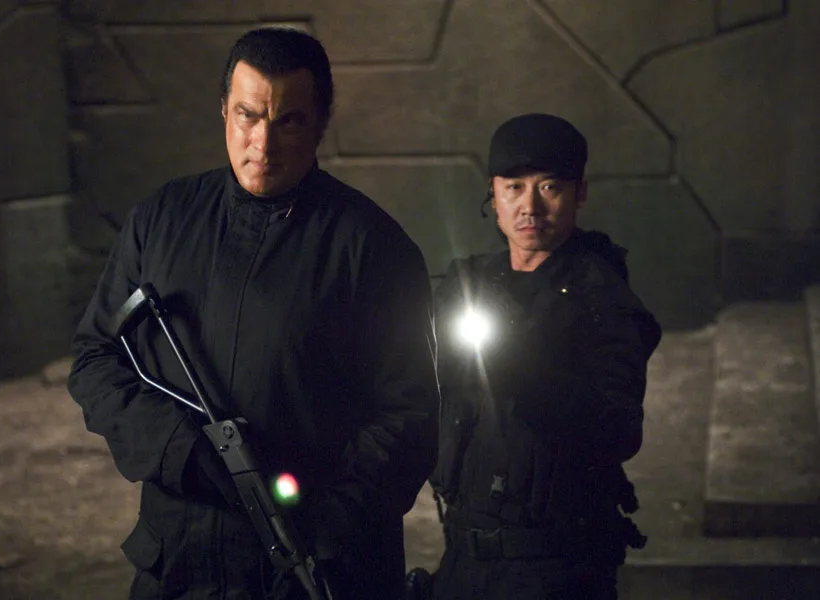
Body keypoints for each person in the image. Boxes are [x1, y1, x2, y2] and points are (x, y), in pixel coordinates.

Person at [67, 27, 439, 600]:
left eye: (288, 121)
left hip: (315, 569)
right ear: (224, 109)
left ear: (320, 122)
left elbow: (409, 416)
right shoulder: (161, 220)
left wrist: (323, 532)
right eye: (248, 115)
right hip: (181, 564)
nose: (262, 144)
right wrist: (179, 449)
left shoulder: (374, 248)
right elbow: (96, 358)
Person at [426, 114, 662, 599]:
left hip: (555, 568)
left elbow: (619, 429)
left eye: (549, 187)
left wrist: (524, 373)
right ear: (493, 196)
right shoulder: (469, 286)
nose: (529, 206)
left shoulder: (601, 298)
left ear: (580, 193)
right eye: (514, 187)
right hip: (463, 559)